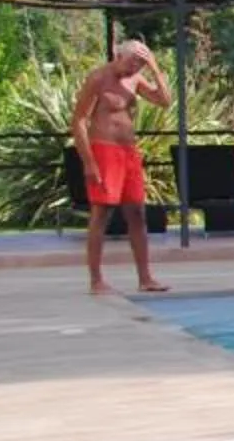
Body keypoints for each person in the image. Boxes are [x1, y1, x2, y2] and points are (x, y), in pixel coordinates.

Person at [72, 40, 172, 295]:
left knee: (137, 213)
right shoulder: (98, 78)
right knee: (101, 213)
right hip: (104, 150)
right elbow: (79, 120)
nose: (133, 68)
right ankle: (96, 280)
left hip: (129, 152)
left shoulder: (135, 79)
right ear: (117, 56)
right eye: (131, 62)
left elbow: (164, 101)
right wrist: (89, 162)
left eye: (139, 64)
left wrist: (153, 66)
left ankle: (146, 277)